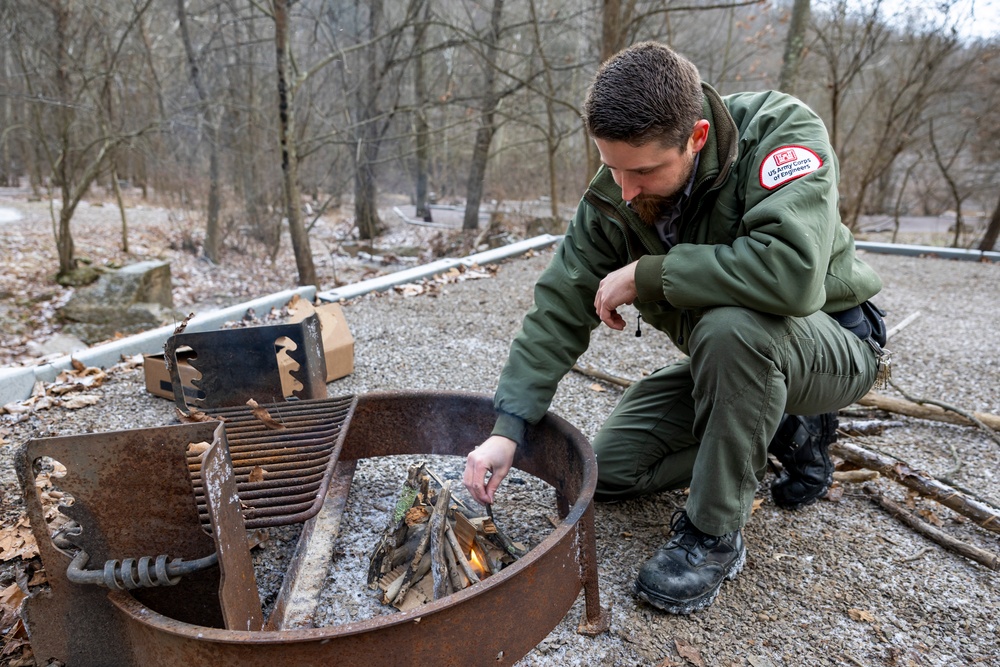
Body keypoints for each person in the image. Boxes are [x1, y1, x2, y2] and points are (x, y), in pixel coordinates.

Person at [462, 42, 887, 614]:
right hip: (737, 360)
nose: (625, 187)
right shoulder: (619, 188)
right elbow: (560, 304)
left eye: (642, 170)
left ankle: (712, 536)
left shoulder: (778, 133)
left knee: (732, 327)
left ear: (698, 137)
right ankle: (780, 424)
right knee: (605, 471)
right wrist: (507, 427)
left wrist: (649, 273)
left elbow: (792, 276)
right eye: (610, 166)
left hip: (833, 342)